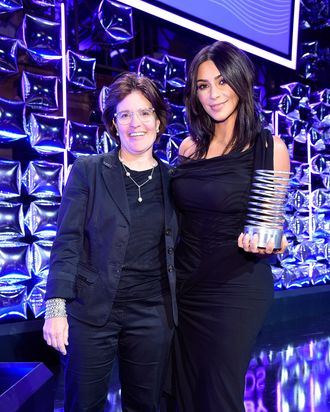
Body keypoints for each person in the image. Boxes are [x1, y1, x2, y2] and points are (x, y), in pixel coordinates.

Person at [43, 72, 178, 412]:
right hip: (90, 312)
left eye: (145, 113)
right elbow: (67, 242)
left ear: (159, 121)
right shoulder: (88, 170)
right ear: (113, 124)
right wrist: (56, 309)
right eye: (125, 114)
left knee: (145, 406)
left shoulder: (175, 180)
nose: (137, 123)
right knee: (83, 405)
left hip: (152, 313)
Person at [167, 41, 290, 411]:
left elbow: (271, 226)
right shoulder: (189, 147)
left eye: (222, 82)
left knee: (217, 395)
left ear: (241, 83)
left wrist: (273, 243)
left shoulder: (269, 148)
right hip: (183, 287)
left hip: (235, 287)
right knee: (180, 392)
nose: (213, 94)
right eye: (203, 85)